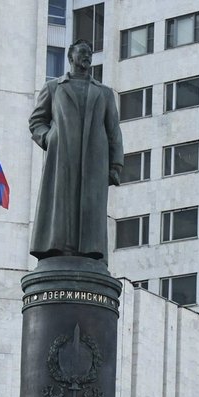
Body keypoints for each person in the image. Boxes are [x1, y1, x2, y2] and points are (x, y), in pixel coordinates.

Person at [28, 39, 123, 261]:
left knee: (91, 206)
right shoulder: (53, 88)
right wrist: (49, 137)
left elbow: (113, 131)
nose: (87, 56)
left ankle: (89, 251)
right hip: (62, 155)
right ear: (71, 57)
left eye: (90, 53)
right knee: (62, 202)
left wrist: (115, 165)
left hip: (94, 159)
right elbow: (36, 121)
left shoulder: (104, 93)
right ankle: (59, 248)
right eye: (82, 52)